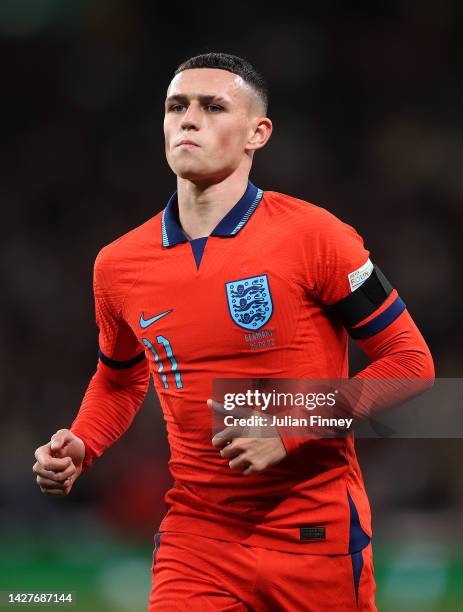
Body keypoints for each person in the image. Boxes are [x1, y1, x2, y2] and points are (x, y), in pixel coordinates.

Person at [33, 53, 434, 611]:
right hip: (197, 538)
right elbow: (120, 380)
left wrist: (287, 427)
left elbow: (411, 363)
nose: (188, 119)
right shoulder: (118, 265)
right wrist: (83, 441)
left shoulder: (317, 236)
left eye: (212, 106)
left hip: (312, 535)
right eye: (177, 106)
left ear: (257, 133)